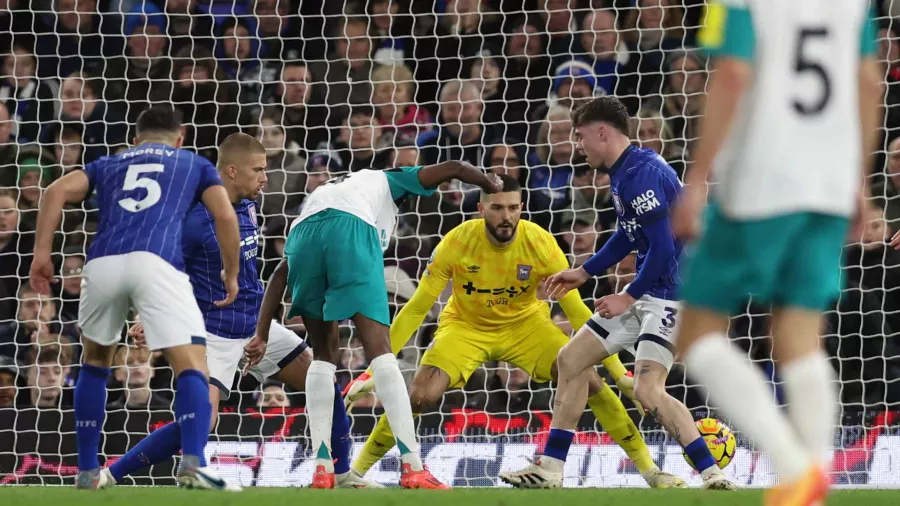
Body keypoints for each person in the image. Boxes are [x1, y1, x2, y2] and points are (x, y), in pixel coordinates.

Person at [342, 175, 684, 489]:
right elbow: (416, 308)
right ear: (480, 209)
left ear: (521, 207)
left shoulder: (540, 242)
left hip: (526, 325)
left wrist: (618, 371)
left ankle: (650, 471)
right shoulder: (456, 242)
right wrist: (375, 369)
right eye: (497, 208)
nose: (506, 216)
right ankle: (355, 473)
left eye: (513, 207)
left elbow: (576, 310)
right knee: (420, 396)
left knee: (589, 379)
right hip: (465, 326)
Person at [671, 3, 881, 505]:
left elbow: (734, 71)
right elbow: (870, 82)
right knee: (799, 336)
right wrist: (859, 180)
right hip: (827, 183)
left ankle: (793, 468)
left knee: (696, 333)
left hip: (760, 183)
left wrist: (697, 177)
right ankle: (814, 482)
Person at [102, 133, 380, 489]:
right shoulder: (194, 218)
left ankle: (342, 474)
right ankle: (113, 476)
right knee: (202, 420)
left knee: (323, 383)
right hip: (210, 332)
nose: (265, 177)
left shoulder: (248, 203)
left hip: (254, 325)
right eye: (258, 170)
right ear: (232, 171)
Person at [501, 97, 735, 490]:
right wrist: (584, 271)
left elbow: (662, 248)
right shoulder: (626, 170)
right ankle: (550, 469)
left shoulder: (641, 175)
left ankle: (712, 474)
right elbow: (628, 234)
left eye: (580, 136)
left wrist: (627, 296)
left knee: (647, 389)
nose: (579, 145)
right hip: (647, 288)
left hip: (669, 295)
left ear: (602, 132)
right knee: (571, 359)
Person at [28, 105, 242, 491]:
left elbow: (54, 190)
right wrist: (231, 272)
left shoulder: (108, 163)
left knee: (94, 362)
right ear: (181, 136)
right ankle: (193, 464)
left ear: (134, 139)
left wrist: (42, 255)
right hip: (157, 261)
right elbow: (225, 217)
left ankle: (88, 472)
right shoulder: (193, 162)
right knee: (192, 365)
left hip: (103, 262)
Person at [256, 160, 503, 488]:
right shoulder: (387, 180)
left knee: (323, 356)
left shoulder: (332, 190)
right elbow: (455, 166)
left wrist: (261, 333)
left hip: (300, 237)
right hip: (350, 231)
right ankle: (413, 466)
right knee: (381, 353)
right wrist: (492, 185)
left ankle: (321, 467)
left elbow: (280, 272)